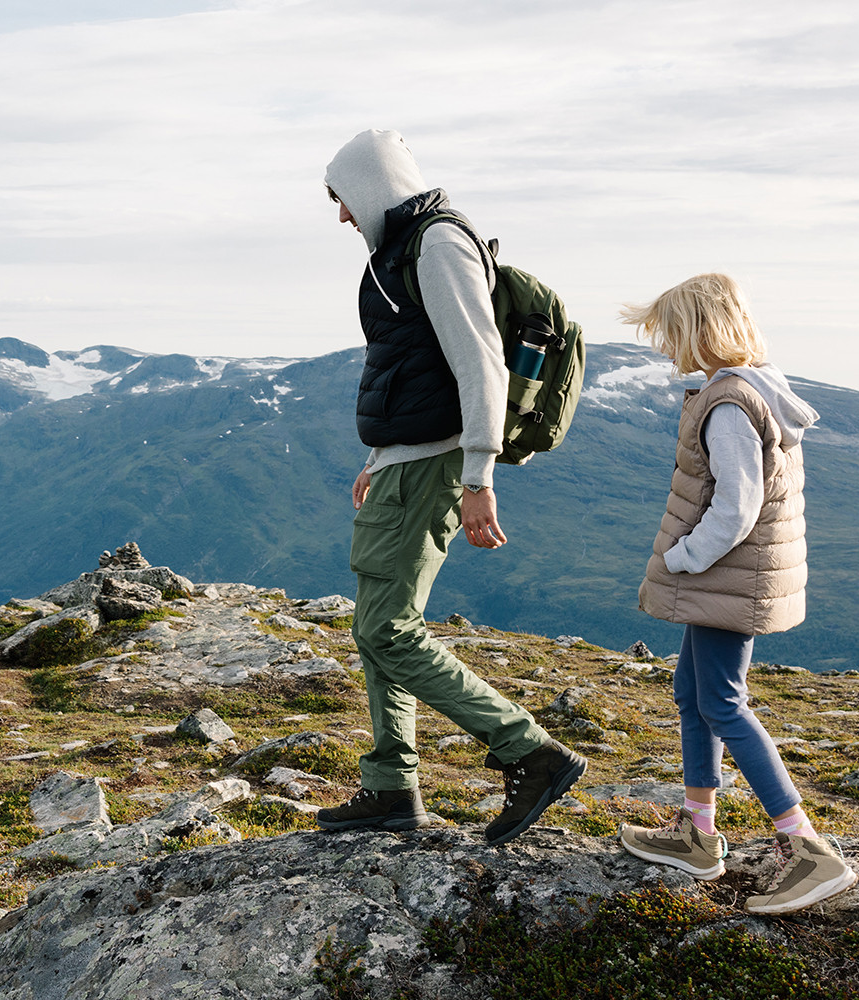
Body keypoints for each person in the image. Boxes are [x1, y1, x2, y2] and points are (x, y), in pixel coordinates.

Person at [313, 129, 585, 844]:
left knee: (389, 630)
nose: (342, 216)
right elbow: (414, 365)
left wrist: (476, 477)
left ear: (369, 187)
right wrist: (379, 456)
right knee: (375, 627)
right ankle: (390, 786)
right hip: (404, 462)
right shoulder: (404, 249)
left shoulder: (438, 244)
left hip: (435, 466)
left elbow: (480, 365)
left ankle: (530, 750)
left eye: (343, 199)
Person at [615, 273, 858, 914]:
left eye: (670, 335)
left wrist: (685, 557)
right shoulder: (752, 389)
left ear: (698, 331)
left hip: (725, 576)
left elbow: (737, 504)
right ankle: (698, 831)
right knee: (693, 693)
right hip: (730, 579)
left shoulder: (727, 405)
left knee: (722, 701)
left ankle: (807, 849)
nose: (666, 349)